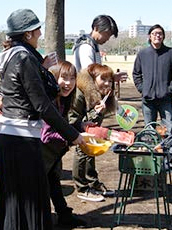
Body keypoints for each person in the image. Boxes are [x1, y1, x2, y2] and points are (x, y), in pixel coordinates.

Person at [0, 9, 84, 230]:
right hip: (21, 139)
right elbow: (42, 105)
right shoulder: (24, 58)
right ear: (27, 34)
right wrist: (72, 135)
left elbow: (30, 93)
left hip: (12, 137)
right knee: (30, 201)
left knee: (16, 202)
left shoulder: (15, 57)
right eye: (36, 30)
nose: (40, 33)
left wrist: (42, 68)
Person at [70, 14, 125, 199]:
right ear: (96, 29)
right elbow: (90, 75)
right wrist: (97, 102)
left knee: (91, 142)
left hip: (92, 99)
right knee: (84, 144)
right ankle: (82, 186)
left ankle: (91, 181)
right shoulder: (85, 46)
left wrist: (111, 78)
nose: (107, 38)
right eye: (107, 34)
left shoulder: (92, 45)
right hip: (86, 100)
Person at [40, 61, 86, 227]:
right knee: (43, 189)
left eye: (72, 78)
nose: (68, 83)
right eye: (63, 78)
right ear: (53, 78)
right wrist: (73, 137)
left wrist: (81, 127)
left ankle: (64, 216)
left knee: (54, 182)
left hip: (52, 157)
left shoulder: (64, 101)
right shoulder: (49, 101)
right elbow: (46, 135)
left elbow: (64, 125)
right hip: (40, 155)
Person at [132, 24, 172, 171]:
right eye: (154, 33)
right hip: (148, 99)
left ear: (163, 36)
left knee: (168, 129)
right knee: (149, 130)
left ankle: (168, 160)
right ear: (150, 36)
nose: (157, 36)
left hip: (165, 99)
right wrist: (142, 89)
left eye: (160, 33)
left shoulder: (170, 53)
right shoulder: (143, 54)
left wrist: (170, 90)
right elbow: (136, 74)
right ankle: (152, 158)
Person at [68, 63, 116, 202]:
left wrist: (98, 113)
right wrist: (95, 113)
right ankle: (82, 188)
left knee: (91, 149)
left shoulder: (100, 94)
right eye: (103, 79)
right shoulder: (81, 93)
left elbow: (93, 123)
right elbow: (74, 121)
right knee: (82, 151)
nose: (107, 83)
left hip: (86, 128)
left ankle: (92, 182)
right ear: (94, 80)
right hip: (74, 129)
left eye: (110, 80)